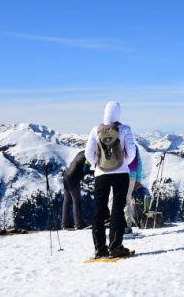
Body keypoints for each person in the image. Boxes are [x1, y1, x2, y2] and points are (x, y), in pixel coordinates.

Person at [84, 100, 137, 259]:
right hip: (121, 174)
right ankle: (115, 247)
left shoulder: (95, 130)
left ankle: (100, 249)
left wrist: (97, 165)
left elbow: (88, 153)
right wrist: (122, 165)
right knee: (117, 209)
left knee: (99, 211)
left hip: (101, 174)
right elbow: (132, 152)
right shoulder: (125, 129)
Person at [61, 150, 89, 230]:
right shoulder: (88, 155)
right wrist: (94, 172)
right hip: (73, 179)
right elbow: (85, 170)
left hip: (66, 176)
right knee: (76, 201)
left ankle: (65, 224)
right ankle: (79, 224)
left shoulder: (81, 153)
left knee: (67, 201)